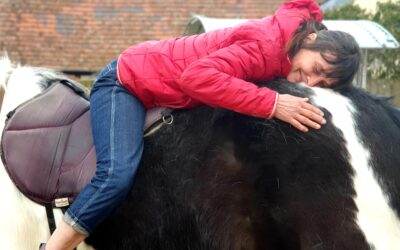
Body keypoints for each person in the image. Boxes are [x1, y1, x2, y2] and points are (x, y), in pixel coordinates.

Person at [42, 0, 360, 249]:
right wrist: (273, 104)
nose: (311, 80)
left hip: (164, 91)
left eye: (323, 82)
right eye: (315, 67)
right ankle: (54, 246)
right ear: (312, 38)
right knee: (116, 174)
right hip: (127, 83)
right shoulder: (265, 45)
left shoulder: (287, 48)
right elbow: (196, 78)